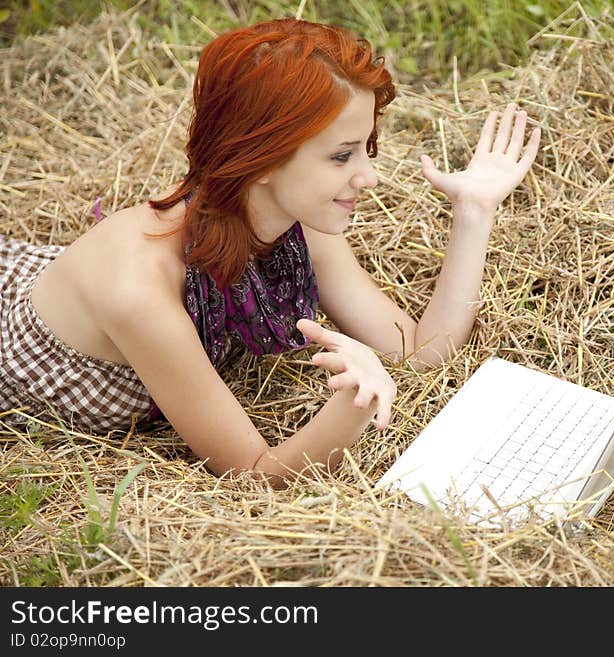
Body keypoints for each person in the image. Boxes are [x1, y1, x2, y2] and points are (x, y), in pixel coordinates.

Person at [0, 17, 540, 486]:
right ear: (259, 159)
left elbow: (421, 353)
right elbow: (255, 475)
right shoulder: (138, 288)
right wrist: (355, 405)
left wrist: (474, 212)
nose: (369, 177)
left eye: (366, 148)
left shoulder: (298, 224)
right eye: (342, 155)